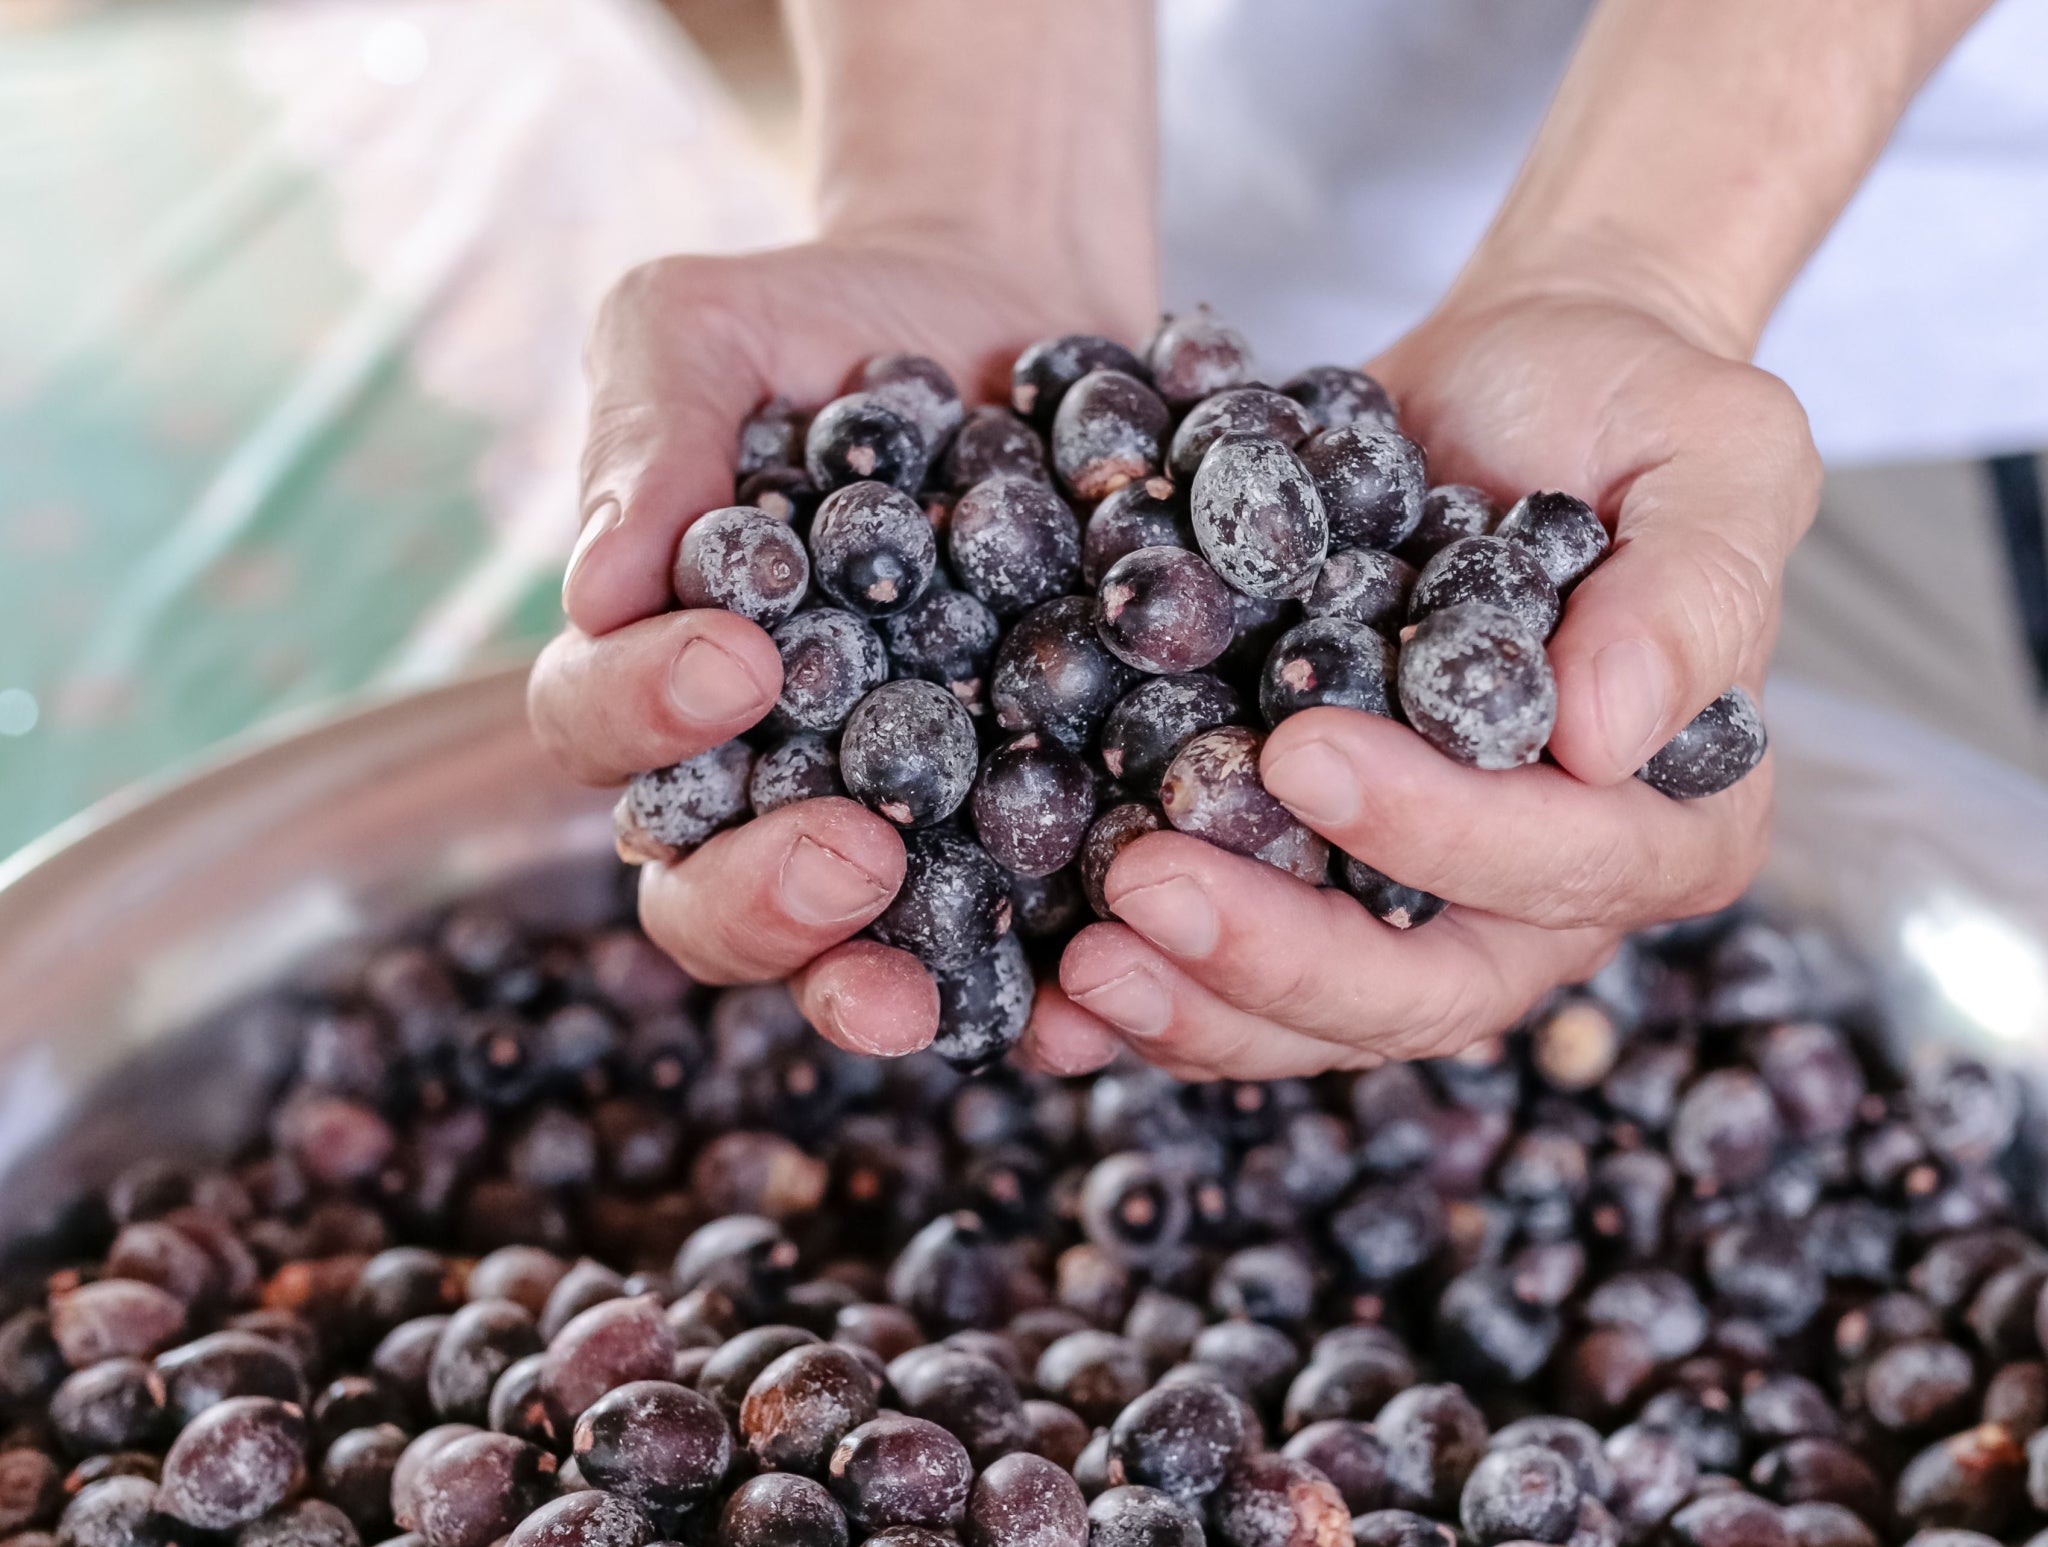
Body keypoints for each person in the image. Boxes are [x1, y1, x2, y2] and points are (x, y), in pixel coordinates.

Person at [530, 0, 2017, 1081]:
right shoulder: (1105, 531)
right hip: (1209, 156)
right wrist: (967, 189)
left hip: (1891, 266)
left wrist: (1645, 272)